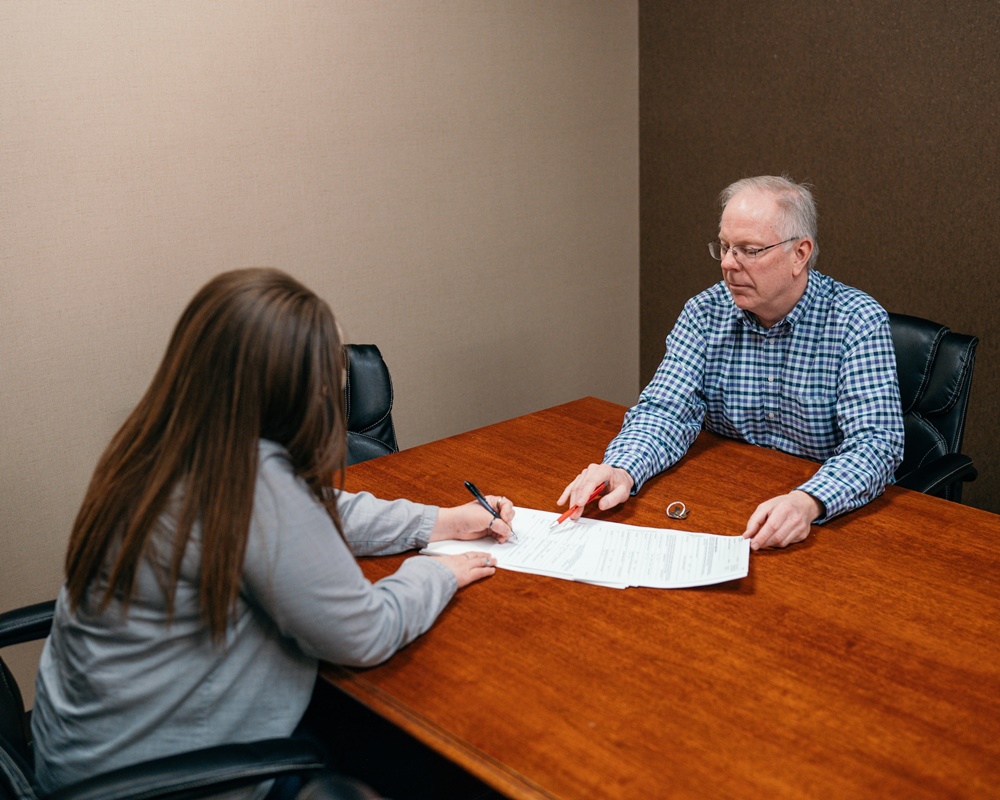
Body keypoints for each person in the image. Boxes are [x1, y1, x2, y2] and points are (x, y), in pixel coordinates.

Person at [31, 268, 515, 798]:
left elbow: (317, 510)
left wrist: (439, 521)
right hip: (162, 779)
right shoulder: (249, 481)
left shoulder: (165, 441)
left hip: (83, 752)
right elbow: (365, 634)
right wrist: (435, 571)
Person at [559, 175, 904, 550]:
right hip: (723, 505)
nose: (728, 264)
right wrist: (622, 467)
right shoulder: (705, 312)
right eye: (724, 247)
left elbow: (876, 443)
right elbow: (666, 412)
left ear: (800, 254)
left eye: (749, 250)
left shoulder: (856, 320)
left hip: (822, 524)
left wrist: (809, 501)